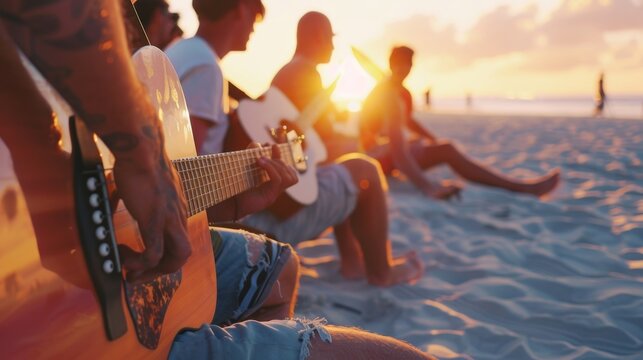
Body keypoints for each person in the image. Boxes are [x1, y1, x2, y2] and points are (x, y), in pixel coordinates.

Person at [1, 1, 435, 359]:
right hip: (69, 294)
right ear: (242, 11)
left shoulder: (181, 53)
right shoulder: (207, 67)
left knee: (280, 266)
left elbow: (171, 168)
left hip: (105, 239)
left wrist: (216, 202)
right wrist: (141, 153)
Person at [360, 46, 560, 198]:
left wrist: (431, 138)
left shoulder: (398, 91)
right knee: (447, 150)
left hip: (381, 157)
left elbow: (407, 122)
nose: (405, 68)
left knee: (441, 147)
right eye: (401, 63)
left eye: (409, 63)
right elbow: (397, 147)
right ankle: (520, 187)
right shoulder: (388, 95)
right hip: (375, 160)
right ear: (391, 64)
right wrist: (428, 187)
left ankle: (519, 186)